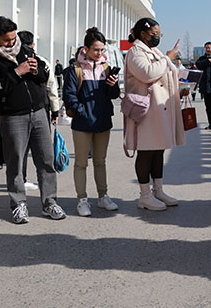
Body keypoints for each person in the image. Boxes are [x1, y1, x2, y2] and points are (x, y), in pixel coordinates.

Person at [0, 17, 65, 224]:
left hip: (38, 112)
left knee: (46, 159)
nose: (11, 43)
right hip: (11, 116)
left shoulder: (24, 49)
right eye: (7, 40)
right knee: (15, 161)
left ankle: (49, 202)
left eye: (13, 37)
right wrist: (17, 72)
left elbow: (44, 77)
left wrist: (36, 70)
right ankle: (18, 204)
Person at [124, 18, 186, 211]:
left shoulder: (154, 51)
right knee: (146, 150)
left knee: (158, 149)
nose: (158, 37)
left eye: (160, 34)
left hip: (159, 109)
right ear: (143, 34)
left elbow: (168, 73)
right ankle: (144, 195)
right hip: (146, 111)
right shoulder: (135, 52)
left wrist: (182, 87)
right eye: (155, 34)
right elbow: (148, 73)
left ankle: (157, 190)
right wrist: (167, 58)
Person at [62, 27, 120, 217]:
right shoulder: (74, 70)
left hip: (103, 121)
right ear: (85, 49)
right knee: (80, 163)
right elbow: (69, 96)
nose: (100, 53)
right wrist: (82, 112)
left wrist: (112, 86)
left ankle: (103, 197)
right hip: (83, 123)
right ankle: (82, 200)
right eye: (96, 49)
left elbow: (114, 95)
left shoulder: (106, 68)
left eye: (102, 50)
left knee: (100, 161)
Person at [17, 31, 61, 191]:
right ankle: (47, 192)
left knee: (20, 150)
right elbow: (52, 87)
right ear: (33, 44)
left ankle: (20, 179)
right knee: (43, 152)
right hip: (41, 108)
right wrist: (55, 111)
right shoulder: (41, 61)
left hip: (17, 112)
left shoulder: (13, 61)